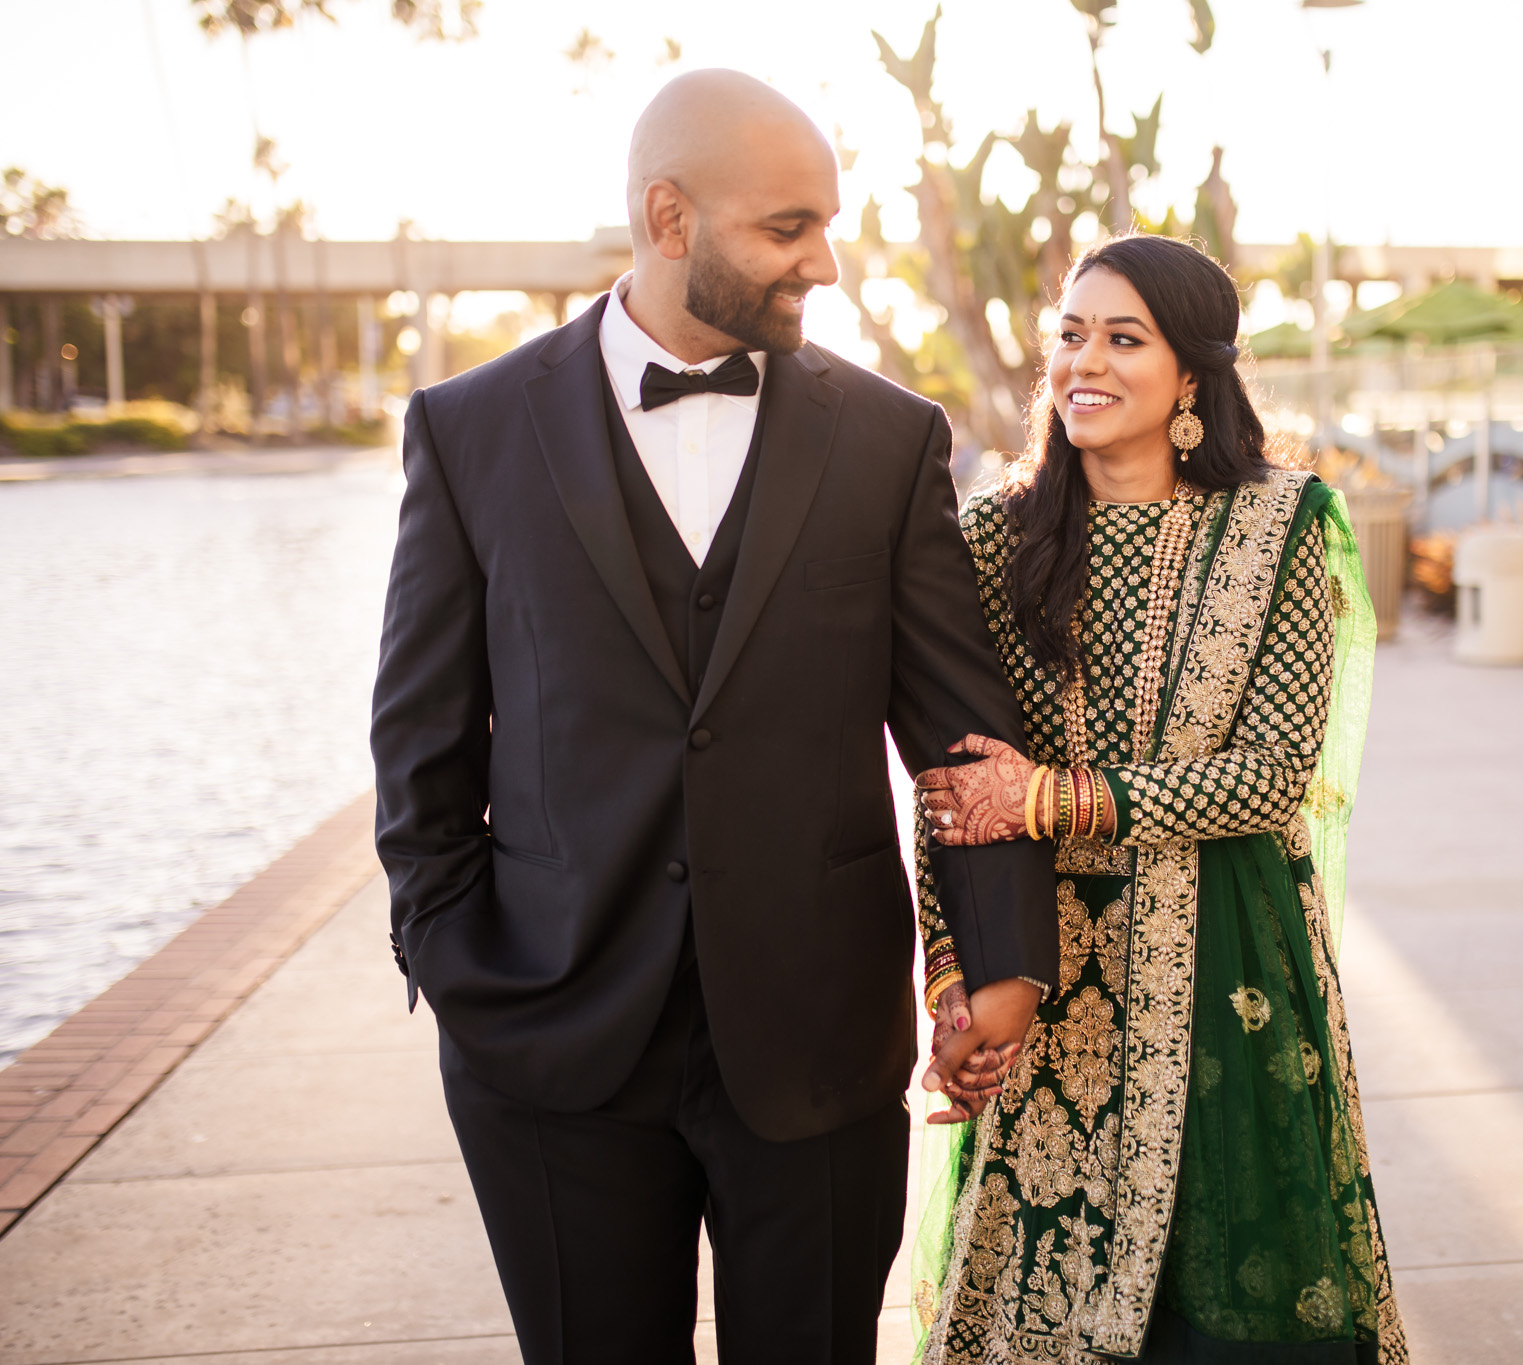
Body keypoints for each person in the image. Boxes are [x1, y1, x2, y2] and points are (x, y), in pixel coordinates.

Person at [369, 70, 1057, 1365]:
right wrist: (453, 959)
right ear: (669, 218)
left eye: (830, 223)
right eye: (788, 228)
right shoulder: (469, 432)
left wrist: (1002, 958)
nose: (830, 263)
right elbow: (421, 739)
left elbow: (961, 731)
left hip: (819, 1034)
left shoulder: (888, 439)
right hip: (550, 1039)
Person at [909, 234, 1409, 1364]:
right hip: (1045, 966)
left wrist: (1050, 799)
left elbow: (1276, 773)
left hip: (1227, 956)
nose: (1084, 361)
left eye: (1122, 338)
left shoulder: (1281, 528)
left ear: (1192, 374)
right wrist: (954, 980)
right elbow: (945, 782)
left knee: (1223, 1291)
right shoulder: (991, 537)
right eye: (1069, 336)